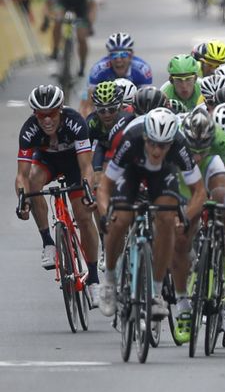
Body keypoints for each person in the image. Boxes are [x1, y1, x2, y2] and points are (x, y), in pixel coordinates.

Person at [96, 108, 207, 319]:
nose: (157, 151)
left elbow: (199, 193)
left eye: (163, 146)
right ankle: (109, 280)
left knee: (167, 219)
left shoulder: (179, 146)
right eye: (152, 144)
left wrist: (185, 216)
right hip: (131, 171)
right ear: (145, 138)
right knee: (120, 219)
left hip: (164, 174)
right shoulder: (130, 140)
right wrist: (104, 215)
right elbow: (105, 186)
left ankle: (156, 292)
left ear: (171, 144)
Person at [16, 85, 101, 303]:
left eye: (52, 113)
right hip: (47, 163)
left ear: (60, 110)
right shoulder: (28, 130)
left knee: (83, 216)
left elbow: (86, 168)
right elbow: (22, 176)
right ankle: (48, 242)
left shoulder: (76, 123)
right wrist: (22, 199)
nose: (46, 120)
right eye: (41, 115)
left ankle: (93, 278)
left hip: (74, 163)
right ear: (35, 114)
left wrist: (88, 191)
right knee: (33, 182)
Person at [169, 107, 225, 341]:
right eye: (194, 150)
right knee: (180, 242)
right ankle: (182, 305)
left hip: (213, 169)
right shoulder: (174, 138)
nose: (198, 154)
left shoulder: (218, 137)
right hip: (182, 174)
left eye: (203, 148)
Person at [42, 0, 95, 77]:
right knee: (58, 20)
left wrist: (90, 23)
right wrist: (46, 17)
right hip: (62, 3)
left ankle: (82, 65)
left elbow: (92, 4)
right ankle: (55, 53)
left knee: (82, 36)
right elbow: (48, 2)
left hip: (80, 5)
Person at [81, 32, 153, 116]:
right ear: (109, 56)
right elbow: (86, 103)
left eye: (123, 54)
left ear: (131, 56)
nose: (118, 59)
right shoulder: (98, 70)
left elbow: (147, 102)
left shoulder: (143, 70)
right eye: (114, 55)